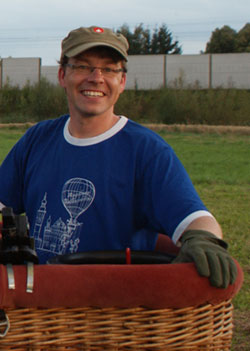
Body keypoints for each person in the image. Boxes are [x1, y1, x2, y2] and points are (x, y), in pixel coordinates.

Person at [0, 26, 237, 288]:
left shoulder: (147, 151)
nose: (96, 77)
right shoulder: (37, 140)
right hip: (41, 306)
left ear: (121, 81)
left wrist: (204, 240)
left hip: (114, 309)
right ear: (62, 75)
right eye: (82, 66)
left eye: (109, 69)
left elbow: (194, 217)